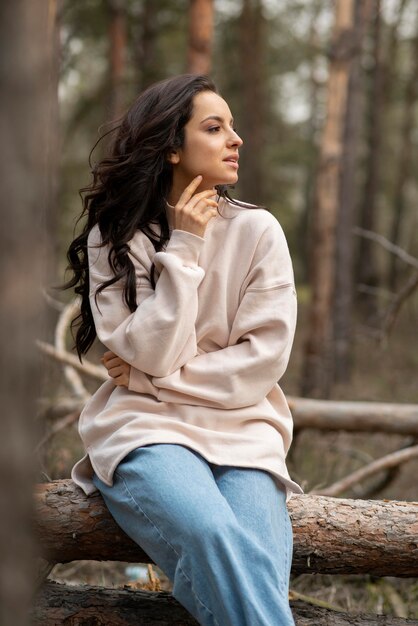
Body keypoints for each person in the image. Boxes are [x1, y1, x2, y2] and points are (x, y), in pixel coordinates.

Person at [65, 73, 302, 626]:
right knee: (210, 532)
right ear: (172, 148)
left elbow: (261, 362)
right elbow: (155, 348)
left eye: (234, 127)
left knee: (257, 558)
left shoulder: (259, 231)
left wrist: (149, 376)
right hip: (144, 428)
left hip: (244, 430)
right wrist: (187, 246)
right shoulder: (115, 235)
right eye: (215, 128)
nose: (235, 139)